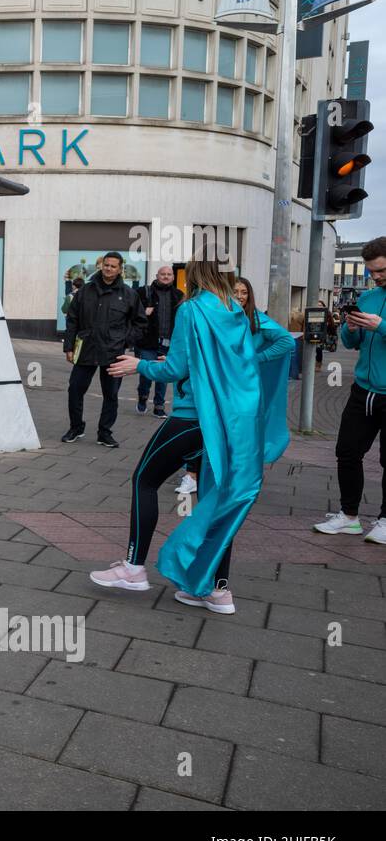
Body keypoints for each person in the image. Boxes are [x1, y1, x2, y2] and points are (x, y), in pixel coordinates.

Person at [90, 254, 292, 614]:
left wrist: (141, 365)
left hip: (193, 416)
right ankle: (217, 591)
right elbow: (274, 349)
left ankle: (134, 568)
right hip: (232, 423)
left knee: (144, 481)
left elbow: (177, 367)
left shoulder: (192, 309)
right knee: (218, 499)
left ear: (194, 275)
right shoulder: (238, 312)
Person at [314, 238, 386, 543]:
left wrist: (380, 325)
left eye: (381, 270)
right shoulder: (368, 297)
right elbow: (351, 343)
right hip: (362, 390)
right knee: (347, 451)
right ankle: (349, 517)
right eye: (372, 272)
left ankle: (385, 521)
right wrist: (351, 328)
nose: (377, 277)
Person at [61, 252, 147, 448]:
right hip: (86, 350)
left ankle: (105, 433)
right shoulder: (85, 291)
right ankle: (76, 427)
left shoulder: (128, 294)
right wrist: (69, 347)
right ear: (102, 266)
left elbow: (141, 323)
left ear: (120, 269)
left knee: (111, 395)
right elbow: (72, 319)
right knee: (75, 390)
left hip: (113, 353)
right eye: (106, 265)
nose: (108, 269)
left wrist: (124, 341)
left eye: (113, 266)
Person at [134, 265, 184, 417]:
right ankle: (143, 397)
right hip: (148, 342)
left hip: (169, 342)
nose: (166, 276)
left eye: (169, 274)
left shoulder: (179, 295)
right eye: (163, 274)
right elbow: (131, 312)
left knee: (164, 375)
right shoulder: (143, 292)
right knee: (147, 374)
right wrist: (143, 311)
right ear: (157, 275)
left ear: (173, 277)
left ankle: (159, 406)